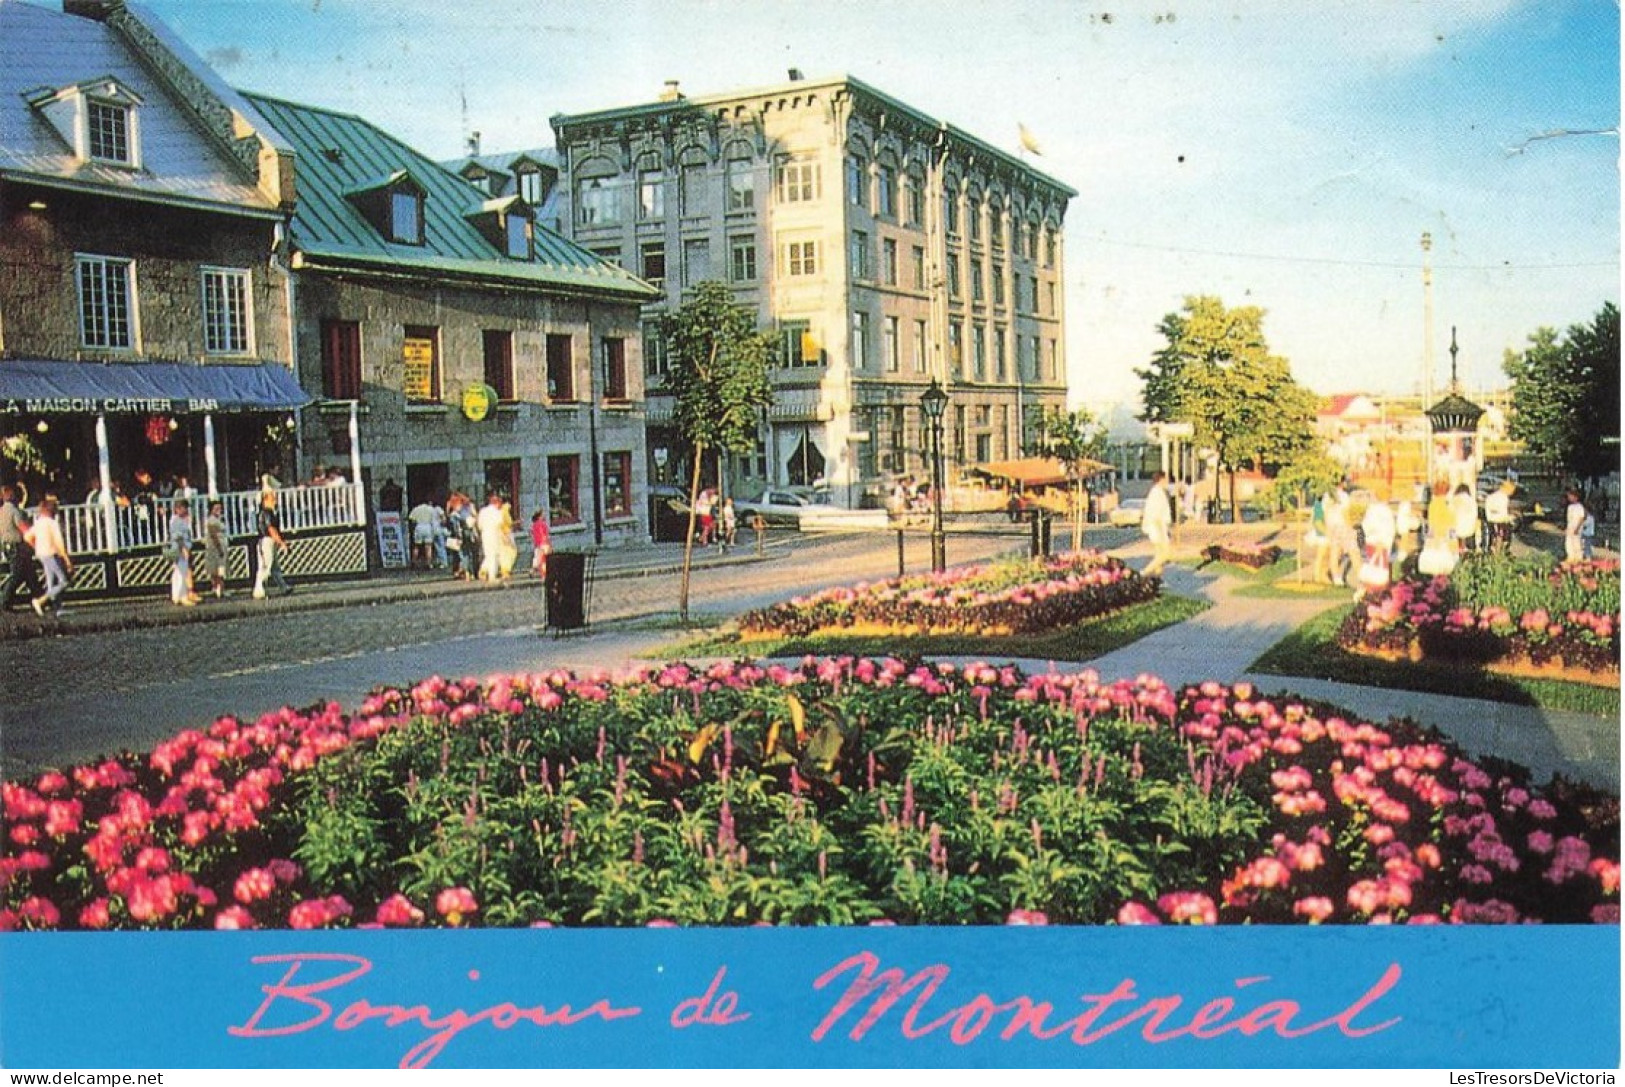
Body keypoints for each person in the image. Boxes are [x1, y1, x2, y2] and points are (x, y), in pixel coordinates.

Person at [0, 483, 40, 613]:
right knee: (17, 575)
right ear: (12, 496)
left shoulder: (2, 511)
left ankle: (39, 598)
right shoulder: (14, 511)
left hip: (6, 545)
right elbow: (23, 527)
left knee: (30, 574)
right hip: (17, 546)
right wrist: (35, 542)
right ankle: (4, 602)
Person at [29, 498, 71, 618]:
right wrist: (67, 560)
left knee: (51, 582)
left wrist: (36, 546)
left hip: (41, 554)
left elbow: (28, 537)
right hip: (50, 553)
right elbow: (59, 543)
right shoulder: (52, 523)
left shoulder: (38, 522)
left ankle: (57, 608)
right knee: (63, 581)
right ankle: (40, 601)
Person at [253, 489, 292, 599]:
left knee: (275, 567)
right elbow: (271, 529)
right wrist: (282, 543)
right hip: (267, 541)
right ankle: (259, 590)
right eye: (272, 498)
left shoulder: (269, 512)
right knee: (266, 566)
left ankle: (284, 587)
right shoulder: (266, 513)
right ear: (265, 499)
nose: (275, 500)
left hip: (270, 541)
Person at [1419, 480, 1458, 576]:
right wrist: (1454, 548)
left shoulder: (1432, 505)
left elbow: (1431, 526)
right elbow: (1452, 527)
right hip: (1445, 540)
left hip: (1433, 539)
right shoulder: (1448, 505)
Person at [166, 502, 200, 607]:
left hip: (180, 549)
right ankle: (183, 596)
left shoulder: (180, 520)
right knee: (182, 573)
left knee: (178, 572)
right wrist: (184, 549)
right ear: (178, 509)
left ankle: (176, 596)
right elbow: (178, 537)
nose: (186, 511)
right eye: (184, 508)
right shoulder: (176, 521)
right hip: (180, 549)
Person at [1141, 471, 1174, 577]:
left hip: (1159, 527)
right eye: (1166, 479)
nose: (1167, 481)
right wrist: (1161, 531)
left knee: (1159, 554)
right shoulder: (1157, 493)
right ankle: (1144, 572)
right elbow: (1156, 514)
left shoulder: (1158, 492)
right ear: (1161, 480)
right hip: (1157, 527)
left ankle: (1158, 578)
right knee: (1165, 554)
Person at [476, 492, 508, 582]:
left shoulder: (482, 511)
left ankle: (483, 570)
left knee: (488, 554)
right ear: (497, 503)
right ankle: (492, 576)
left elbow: (479, 525)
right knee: (494, 556)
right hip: (495, 535)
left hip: (485, 535)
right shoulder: (497, 512)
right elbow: (500, 524)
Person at [202, 499, 229, 599]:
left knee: (218, 569)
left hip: (219, 547)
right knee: (218, 569)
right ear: (211, 510)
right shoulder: (212, 520)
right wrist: (219, 548)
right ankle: (218, 589)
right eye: (216, 508)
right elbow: (213, 535)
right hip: (215, 548)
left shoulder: (218, 520)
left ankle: (218, 589)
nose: (219, 510)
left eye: (220, 508)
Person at [407, 498, 441, 569]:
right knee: (428, 546)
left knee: (416, 546)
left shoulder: (416, 509)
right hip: (428, 526)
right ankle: (428, 563)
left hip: (419, 526)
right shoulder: (431, 509)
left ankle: (414, 562)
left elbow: (411, 519)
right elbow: (434, 519)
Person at [1483, 479, 1516, 553]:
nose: (1512, 493)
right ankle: (1501, 550)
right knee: (1504, 531)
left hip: (1490, 519)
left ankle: (1494, 548)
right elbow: (1503, 514)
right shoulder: (1504, 498)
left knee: (1495, 534)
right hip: (1499, 520)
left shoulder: (1491, 496)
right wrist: (1511, 517)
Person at [1451, 483, 1480, 554]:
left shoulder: (1453, 500)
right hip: (1469, 529)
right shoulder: (1472, 501)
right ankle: (1467, 549)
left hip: (1454, 530)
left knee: (1451, 529)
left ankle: (1456, 550)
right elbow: (1475, 515)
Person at [1564, 489, 1587, 564]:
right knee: (1569, 542)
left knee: (1577, 542)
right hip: (1570, 526)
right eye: (1568, 497)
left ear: (1576, 497)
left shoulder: (1579, 506)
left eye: (1571, 496)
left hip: (1577, 527)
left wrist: (1577, 528)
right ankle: (1571, 556)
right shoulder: (1570, 507)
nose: (1569, 498)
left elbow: (1582, 517)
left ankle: (1578, 557)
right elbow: (1569, 519)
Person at [530, 509, 552, 579]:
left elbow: (532, 535)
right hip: (544, 544)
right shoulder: (543, 524)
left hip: (537, 544)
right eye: (542, 515)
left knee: (537, 559)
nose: (544, 516)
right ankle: (543, 575)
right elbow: (546, 535)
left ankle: (532, 570)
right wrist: (549, 544)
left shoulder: (533, 526)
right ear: (539, 516)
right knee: (544, 560)